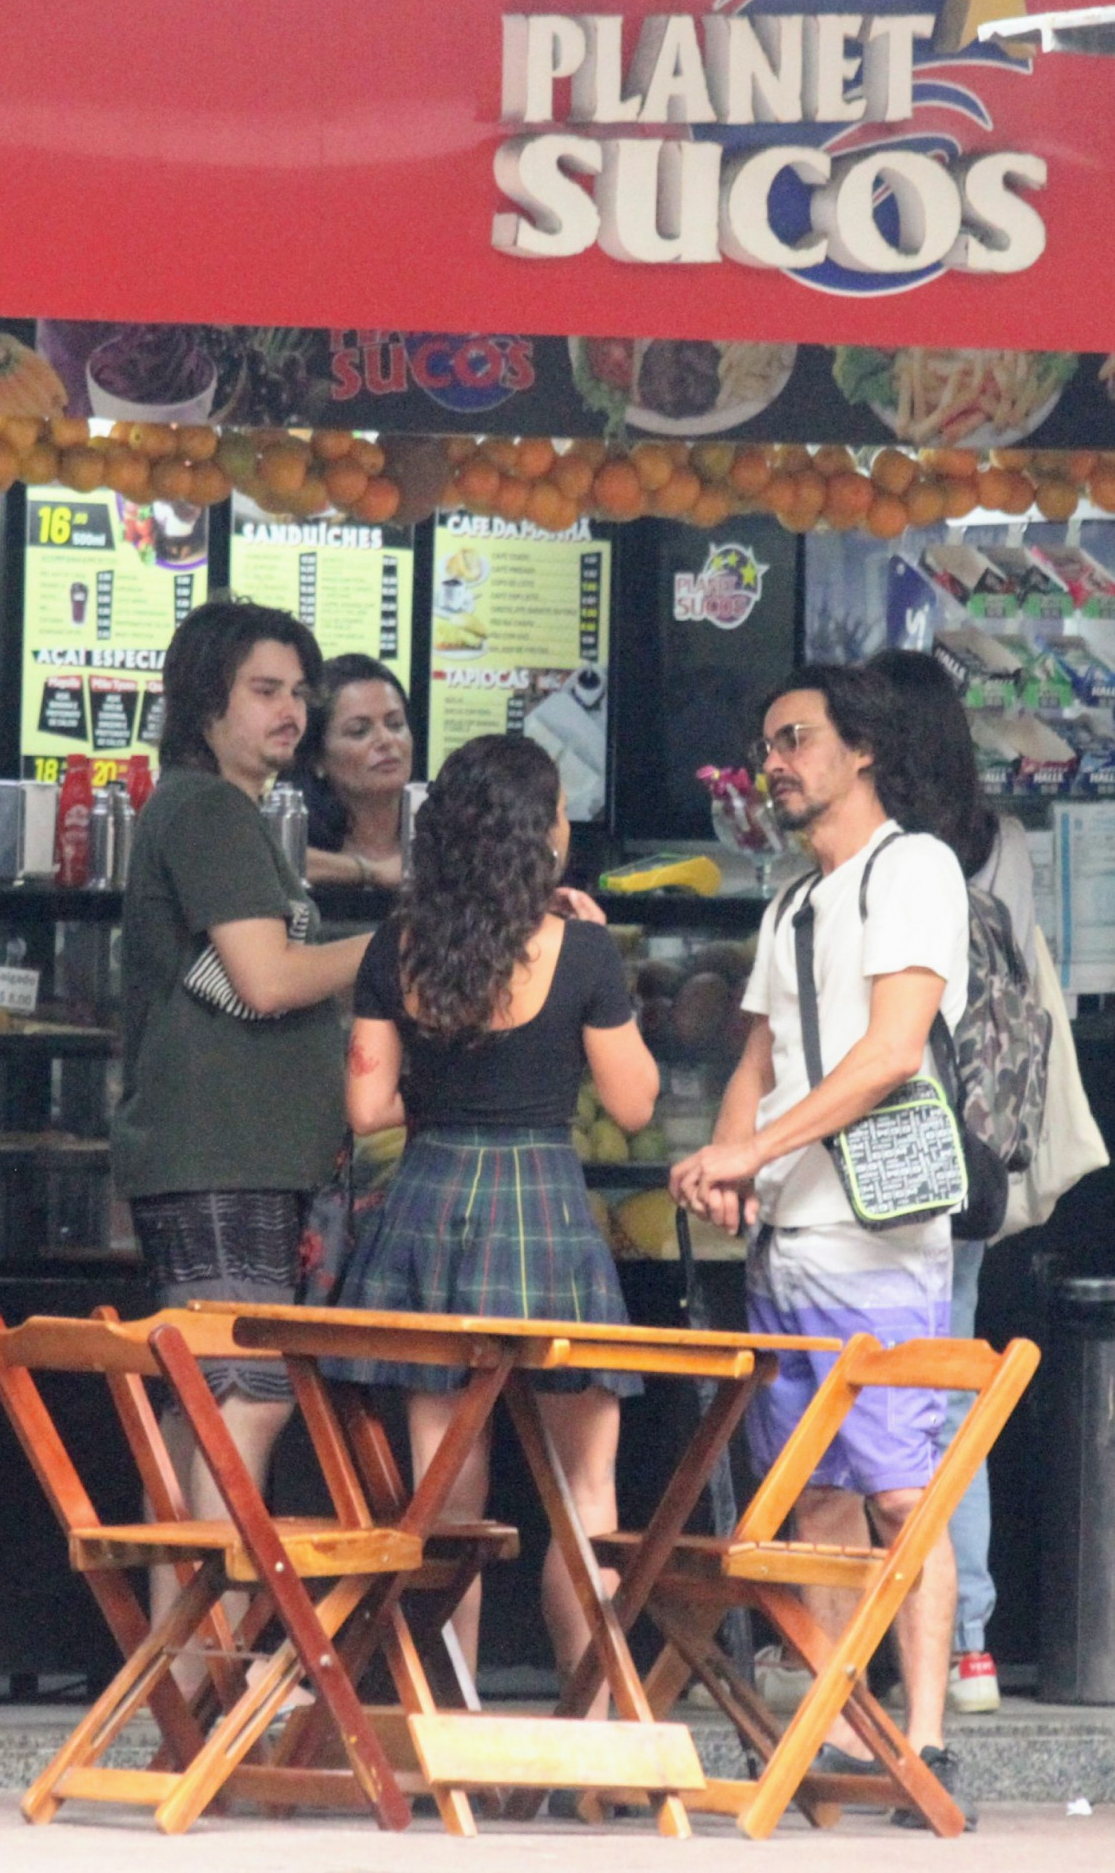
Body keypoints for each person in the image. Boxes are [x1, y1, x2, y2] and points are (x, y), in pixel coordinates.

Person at [671, 662, 976, 1829]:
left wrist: (750, 1154)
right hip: (787, 1242)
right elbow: (757, 1054)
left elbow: (890, 1051)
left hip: (881, 1238)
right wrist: (728, 1156)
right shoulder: (792, 901)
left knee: (901, 1492)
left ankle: (928, 1740)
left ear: (862, 751)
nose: (776, 764)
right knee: (811, 1502)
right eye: (768, 745)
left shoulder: (913, 869)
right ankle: (836, 1729)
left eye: (795, 738)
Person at [327, 733, 659, 1691]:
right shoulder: (583, 947)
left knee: (445, 1493)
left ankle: (451, 1718)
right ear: (537, 836)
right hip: (543, 1217)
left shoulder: (398, 949)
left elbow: (366, 1107)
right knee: (581, 1491)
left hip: (430, 1206)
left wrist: (444, 1084)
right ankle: (593, 1728)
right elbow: (633, 1107)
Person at [111, 598, 371, 1675]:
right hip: (223, 1149)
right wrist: (399, 948)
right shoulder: (211, 813)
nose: (291, 711)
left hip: (227, 1149)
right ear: (204, 703)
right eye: (266, 690)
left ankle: (184, 1658)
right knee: (240, 1401)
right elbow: (265, 981)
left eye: (299, 693)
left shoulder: (218, 812)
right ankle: (206, 1658)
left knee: (202, 1404)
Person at [873, 647, 1037, 1716]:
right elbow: (1021, 982)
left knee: (881, 1406)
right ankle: (966, 1640)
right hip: (966, 1154)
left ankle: (857, 1635)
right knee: (944, 1396)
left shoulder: (879, 861)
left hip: (878, 1152)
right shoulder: (997, 845)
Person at [292, 653, 413, 891]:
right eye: (359, 731)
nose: (386, 740)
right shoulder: (293, 838)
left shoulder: (441, 830)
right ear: (318, 759)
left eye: (395, 724)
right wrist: (369, 872)